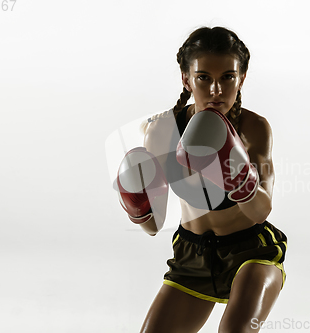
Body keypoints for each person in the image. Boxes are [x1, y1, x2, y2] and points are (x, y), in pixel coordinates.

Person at [117, 26, 288, 333]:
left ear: (241, 79)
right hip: (192, 256)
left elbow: (262, 209)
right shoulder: (162, 131)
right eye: (204, 78)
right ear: (186, 79)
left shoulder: (254, 128)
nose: (216, 90)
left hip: (251, 254)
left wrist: (238, 177)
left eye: (227, 77)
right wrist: (136, 202)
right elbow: (152, 226)